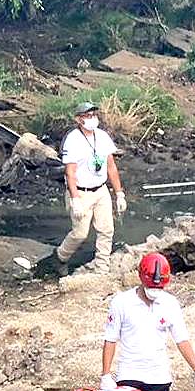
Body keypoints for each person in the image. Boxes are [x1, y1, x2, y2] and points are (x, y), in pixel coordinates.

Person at [100, 252, 195, 391]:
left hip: (159, 377)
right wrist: (106, 374)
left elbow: (181, 339)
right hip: (130, 375)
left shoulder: (170, 304)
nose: (154, 291)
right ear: (141, 277)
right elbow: (110, 339)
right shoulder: (121, 303)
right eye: (150, 287)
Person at [50, 101, 127, 276]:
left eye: (94, 115)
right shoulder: (73, 140)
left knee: (106, 230)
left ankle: (102, 270)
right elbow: (70, 172)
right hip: (81, 191)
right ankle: (60, 256)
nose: (92, 118)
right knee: (80, 233)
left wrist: (119, 193)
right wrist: (75, 199)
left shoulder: (102, 137)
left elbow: (111, 166)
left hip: (100, 190)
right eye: (87, 116)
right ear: (79, 119)